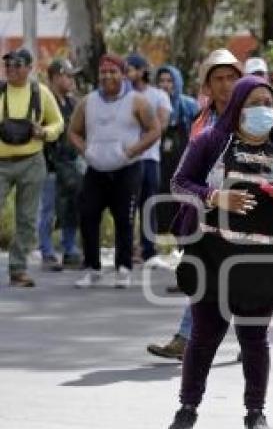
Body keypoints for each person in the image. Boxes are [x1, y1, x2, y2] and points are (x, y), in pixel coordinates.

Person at [166, 75, 273, 429]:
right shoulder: (211, 141)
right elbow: (178, 183)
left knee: (254, 339)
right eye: (252, 103)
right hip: (213, 255)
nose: (261, 110)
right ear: (236, 105)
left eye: (268, 103)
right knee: (204, 336)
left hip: (263, 262)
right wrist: (216, 197)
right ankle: (187, 410)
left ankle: (255, 414)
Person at [147, 49, 242, 360]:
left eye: (232, 78)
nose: (226, 85)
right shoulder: (201, 121)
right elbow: (186, 173)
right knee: (205, 278)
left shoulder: (254, 114)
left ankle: (248, 339)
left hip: (245, 209)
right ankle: (186, 338)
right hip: (206, 208)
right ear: (207, 86)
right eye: (219, 79)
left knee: (245, 277)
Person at [69, 53, 161, 288]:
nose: (108, 76)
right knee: (88, 215)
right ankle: (92, 267)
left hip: (127, 169)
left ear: (123, 74)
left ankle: (123, 268)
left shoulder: (137, 101)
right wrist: (85, 151)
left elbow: (154, 130)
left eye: (113, 72)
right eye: (103, 72)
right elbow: (73, 131)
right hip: (96, 169)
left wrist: (132, 151)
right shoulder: (87, 102)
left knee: (124, 219)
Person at [0, 48, 64, 287]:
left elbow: (58, 122)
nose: (11, 70)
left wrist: (45, 132)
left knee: (27, 219)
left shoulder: (40, 92)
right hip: (1, 162)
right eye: (8, 65)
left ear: (29, 68)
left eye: (17, 65)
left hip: (31, 161)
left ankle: (18, 269)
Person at [125, 52, 172, 264]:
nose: (126, 74)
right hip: (128, 159)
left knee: (148, 204)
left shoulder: (159, 96)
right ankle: (127, 248)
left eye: (130, 69)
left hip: (150, 158)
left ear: (142, 70)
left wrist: (143, 133)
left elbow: (161, 124)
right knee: (126, 206)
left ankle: (148, 250)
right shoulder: (123, 95)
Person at [39, 58, 83, 271]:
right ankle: (47, 252)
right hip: (49, 166)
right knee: (47, 210)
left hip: (71, 165)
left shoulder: (73, 103)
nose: (72, 80)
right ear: (56, 77)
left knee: (71, 208)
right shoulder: (43, 101)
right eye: (68, 75)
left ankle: (69, 248)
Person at [154, 64, 199, 236]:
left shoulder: (189, 105)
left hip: (184, 160)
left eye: (169, 81)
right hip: (160, 161)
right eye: (161, 81)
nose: (165, 85)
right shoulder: (151, 104)